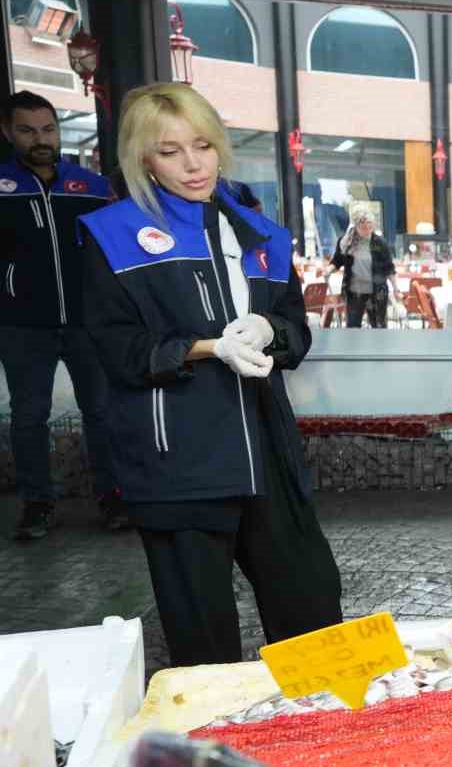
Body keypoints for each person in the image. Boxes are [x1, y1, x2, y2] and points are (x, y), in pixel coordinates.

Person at [79, 83, 342, 666]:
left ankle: (332, 738)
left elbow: (295, 329)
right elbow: (119, 351)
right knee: (203, 640)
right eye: (170, 151)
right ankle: (217, 750)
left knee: (314, 615)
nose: (193, 164)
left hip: (268, 451)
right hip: (178, 461)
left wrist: (271, 331)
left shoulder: (260, 233)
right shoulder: (112, 234)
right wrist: (206, 347)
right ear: (142, 157)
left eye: (202, 144)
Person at [0, 91, 127, 538]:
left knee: (102, 411)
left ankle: (114, 498)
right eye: (28, 130)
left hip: (85, 322)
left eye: (48, 129)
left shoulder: (91, 186)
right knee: (29, 415)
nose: (40, 139)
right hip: (20, 324)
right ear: (8, 132)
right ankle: (37, 504)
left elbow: (115, 250)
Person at [328, 209, 394, 328]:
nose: (367, 227)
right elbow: (337, 261)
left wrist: (396, 287)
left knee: (379, 327)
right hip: (354, 292)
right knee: (353, 328)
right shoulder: (346, 242)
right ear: (356, 225)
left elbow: (389, 267)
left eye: (369, 223)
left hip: (377, 291)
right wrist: (328, 270)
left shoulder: (379, 243)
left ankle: (381, 347)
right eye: (362, 224)